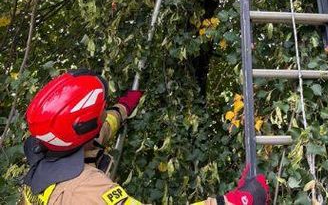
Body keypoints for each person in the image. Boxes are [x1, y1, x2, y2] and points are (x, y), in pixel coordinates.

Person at [20, 70, 268, 205]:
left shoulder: (48, 152)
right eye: (101, 110)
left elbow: (98, 132)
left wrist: (123, 108)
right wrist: (236, 202)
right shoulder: (85, 193)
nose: (105, 112)